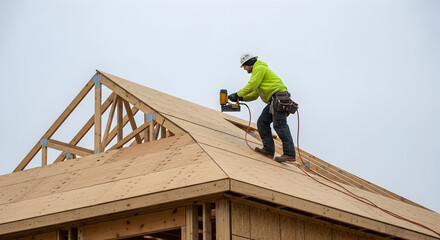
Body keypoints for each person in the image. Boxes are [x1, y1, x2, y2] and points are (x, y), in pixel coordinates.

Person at [228, 53, 296, 162]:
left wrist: (237, 94)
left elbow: (252, 85)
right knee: (262, 122)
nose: (244, 69)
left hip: (279, 98)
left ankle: (289, 154)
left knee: (279, 124)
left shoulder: (259, 68)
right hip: (274, 100)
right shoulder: (258, 72)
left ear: (249, 63)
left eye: (244, 66)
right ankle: (268, 150)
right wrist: (241, 98)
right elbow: (254, 94)